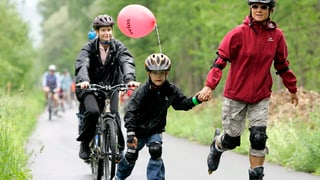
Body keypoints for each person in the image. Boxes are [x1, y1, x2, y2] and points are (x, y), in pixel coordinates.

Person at [197, 0, 299, 179]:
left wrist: (292, 89)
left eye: (263, 7)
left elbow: (282, 65)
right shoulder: (238, 33)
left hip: (260, 96)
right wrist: (209, 85)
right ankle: (217, 145)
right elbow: (220, 62)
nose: (259, 10)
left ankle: (256, 175)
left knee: (258, 138)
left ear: (271, 10)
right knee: (232, 140)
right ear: (250, 9)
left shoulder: (277, 36)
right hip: (235, 95)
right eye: (255, 7)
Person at [115, 53, 204, 180]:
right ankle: (119, 176)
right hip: (137, 130)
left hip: (155, 129)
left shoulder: (170, 89)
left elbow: (182, 104)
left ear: (166, 74)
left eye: (162, 73)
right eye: (155, 73)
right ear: (149, 74)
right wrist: (130, 133)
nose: (158, 76)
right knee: (131, 155)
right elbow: (131, 112)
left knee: (156, 150)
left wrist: (197, 99)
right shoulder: (142, 91)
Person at [75, 14, 140, 161]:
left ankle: (118, 147)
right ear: (97, 32)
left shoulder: (118, 46)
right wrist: (84, 80)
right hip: (89, 87)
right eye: (103, 30)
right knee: (92, 112)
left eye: (109, 30)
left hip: (112, 85)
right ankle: (85, 142)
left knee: (115, 115)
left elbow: (126, 61)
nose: (107, 33)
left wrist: (129, 79)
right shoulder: (89, 48)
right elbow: (82, 64)